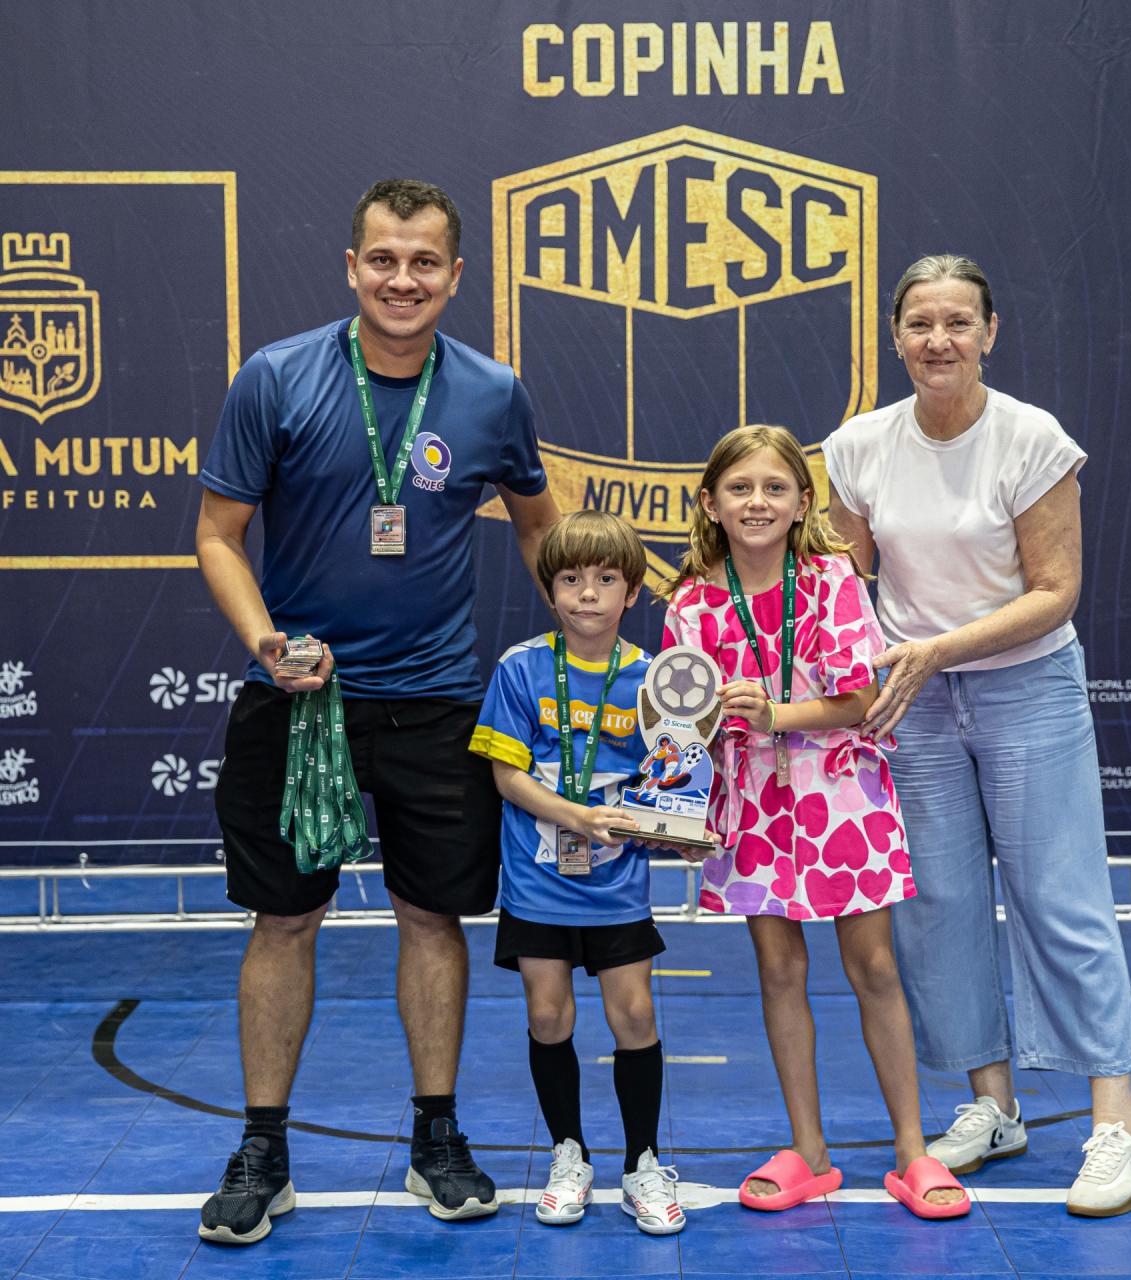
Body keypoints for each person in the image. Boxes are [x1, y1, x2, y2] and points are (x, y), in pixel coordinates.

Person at [193, 178, 561, 1244]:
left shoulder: (492, 391)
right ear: (352, 266)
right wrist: (265, 642)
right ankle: (264, 1146)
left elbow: (542, 526)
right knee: (284, 919)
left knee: (431, 917)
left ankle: (435, 1136)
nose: (404, 280)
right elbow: (218, 533)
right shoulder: (276, 377)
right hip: (297, 700)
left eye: (425, 262)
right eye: (385, 260)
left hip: (436, 703)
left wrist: (585, 647)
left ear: (456, 274)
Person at [822, 254, 1131, 1218]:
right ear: (895, 336)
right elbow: (844, 585)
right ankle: (993, 1107)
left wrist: (935, 649)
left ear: (990, 333)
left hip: (1026, 687)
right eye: (921, 324)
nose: (939, 341)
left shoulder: (1031, 438)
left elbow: (1055, 593)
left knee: (1061, 899)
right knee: (942, 905)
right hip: (912, 702)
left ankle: (1117, 1129)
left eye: (958, 322)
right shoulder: (856, 446)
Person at [659, 426, 969, 1219]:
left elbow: (862, 699)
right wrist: (675, 778)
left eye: (775, 488)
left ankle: (913, 1150)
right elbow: (680, 722)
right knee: (778, 970)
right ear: (710, 504)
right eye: (740, 489)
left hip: (842, 801)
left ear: (804, 502)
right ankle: (810, 1149)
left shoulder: (832, 580)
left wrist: (773, 714)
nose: (757, 502)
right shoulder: (691, 603)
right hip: (752, 808)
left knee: (874, 968)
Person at [469, 510, 685, 1236]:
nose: (587, 593)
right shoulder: (520, 668)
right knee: (547, 1014)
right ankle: (570, 1154)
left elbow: (668, 784)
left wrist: (680, 832)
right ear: (550, 588)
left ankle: (643, 1163)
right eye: (570, 578)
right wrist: (575, 815)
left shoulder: (654, 679)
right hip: (538, 883)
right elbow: (506, 775)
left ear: (632, 592)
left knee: (635, 1016)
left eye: (605, 578)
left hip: (617, 885)